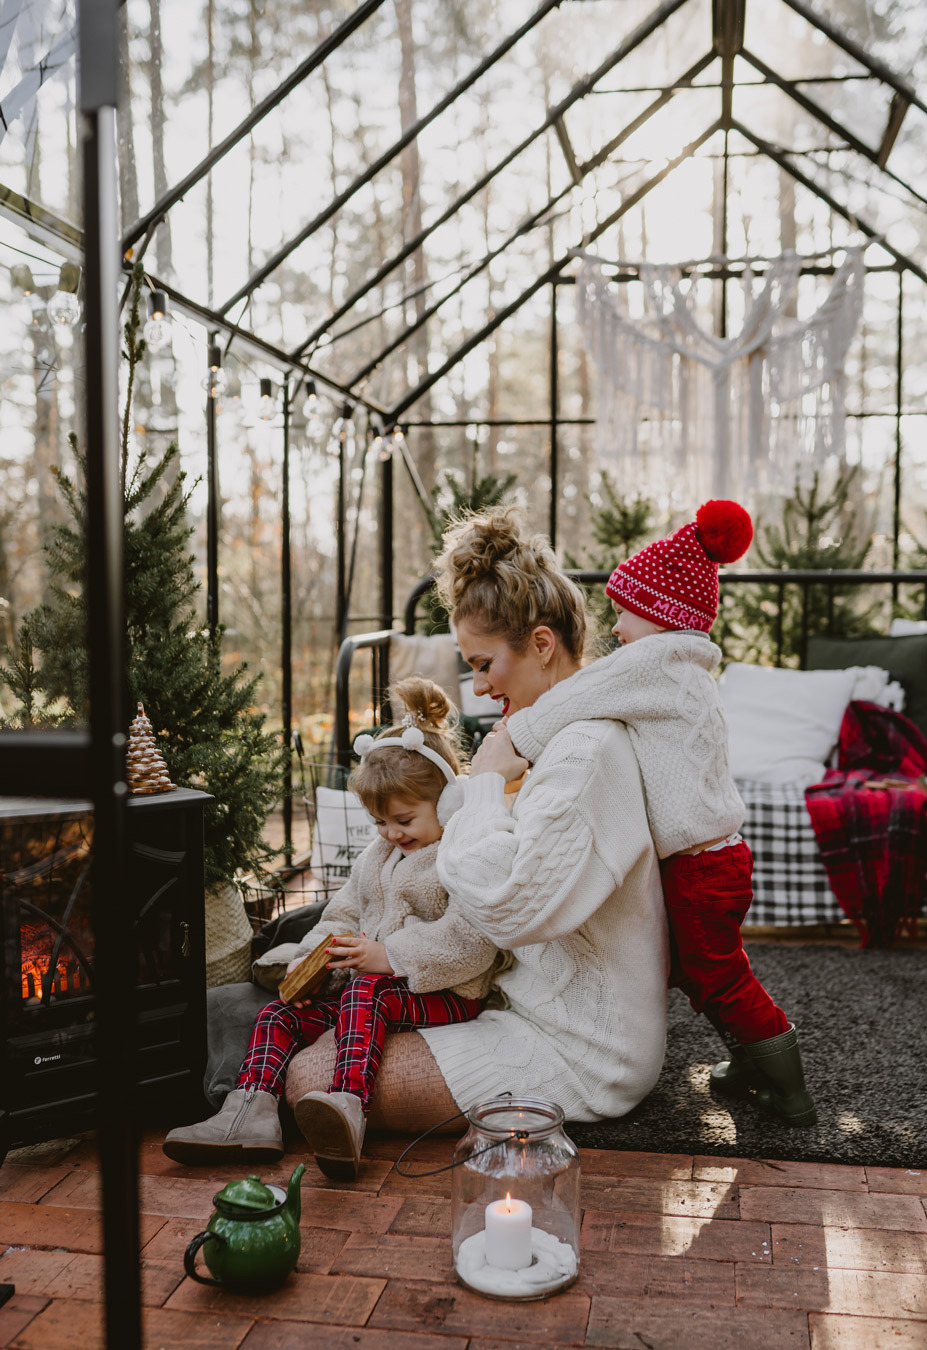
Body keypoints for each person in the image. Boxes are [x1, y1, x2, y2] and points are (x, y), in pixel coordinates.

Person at [285, 506, 669, 1125]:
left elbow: (508, 908)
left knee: (310, 1075)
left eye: (484, 664)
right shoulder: (543, 740)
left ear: (541, 644)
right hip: (511, 1002)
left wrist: (484, 783)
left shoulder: (585, 755)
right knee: (316, 1048)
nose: (480, 688)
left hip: (580, 1048)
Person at [506, 499, 817, 1128]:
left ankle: (790, 1088)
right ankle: (751, 1061)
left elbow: (582, 693)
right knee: (700, 968)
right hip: (715, 858)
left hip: (703, 866)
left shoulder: (656, 660)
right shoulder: (684, 668)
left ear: (660, 615)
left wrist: (517, 739)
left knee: (716, 974)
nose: (616, 629)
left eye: (625, 612)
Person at [163, 678, 500, 1179]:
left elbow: (473, 942)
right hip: (370, 991)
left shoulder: (460, 856)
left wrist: (390, 958)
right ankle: (249, 1115)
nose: (392, 833)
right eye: (380, 822)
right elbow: (340, 915)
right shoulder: (378, 854)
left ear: (449, 802)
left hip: (447, 992)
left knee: (369, 990)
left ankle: (349, 1108)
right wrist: (314, 959)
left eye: (404, 819)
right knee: (281, 1012)